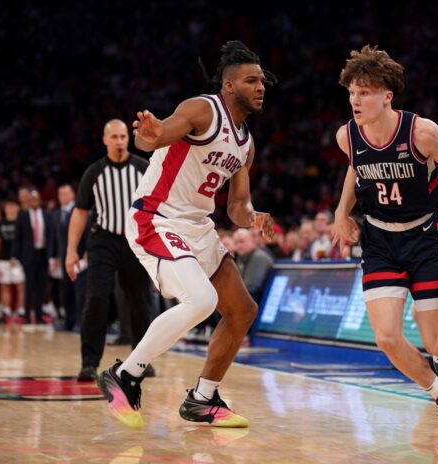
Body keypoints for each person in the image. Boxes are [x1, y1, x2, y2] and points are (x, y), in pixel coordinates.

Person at [96, 41, 275, 430]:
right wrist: (150, 134)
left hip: (197, 225)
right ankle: (125, 375)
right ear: (229, 85)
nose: (261, 86)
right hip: (157, 217)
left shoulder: (246, 144)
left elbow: (236, 206)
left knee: (242, 311)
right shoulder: (202, 109)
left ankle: (202, 398)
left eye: (262, 80)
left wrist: (253, 216)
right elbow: (155, 137)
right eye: (251, 80)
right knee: (202, 300)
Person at [331, 45, 438, 438]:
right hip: (379, 240)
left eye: (364, 93)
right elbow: (355, 170)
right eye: (352, 93)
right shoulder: (347, 135)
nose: (355, 100)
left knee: (436, 343)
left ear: (386, 95)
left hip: (425, 238)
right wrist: (341, 213)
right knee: (387, 337)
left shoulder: (421, 132)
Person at [67, 119, 154, 381]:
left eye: (123, 136)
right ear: (105, 140)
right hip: (103, 240)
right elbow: (80, 211)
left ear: (128, 138)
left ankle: (141, 360)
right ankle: (89, 363)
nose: (119, 141)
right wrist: (71, 250)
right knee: (96, 298)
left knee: (140, 301)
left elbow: (158, 206)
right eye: (114, 137)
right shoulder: (94, 172)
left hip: (135, 240)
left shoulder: (143, 168)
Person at [48, 184, 87, 331]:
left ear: (73, 195)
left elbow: (86, 234)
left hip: (79, 257)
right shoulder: (55, 214)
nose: (63, 196)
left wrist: (87, 252)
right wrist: (52, 258)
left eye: (66, 193)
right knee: (66, 290)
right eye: (60, 194)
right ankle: (68, 322)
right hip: (63, 258)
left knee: (80, 291)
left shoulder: (80, 211)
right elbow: (53, 237)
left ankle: (80, 323)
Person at [12, 189, 51, 330]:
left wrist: (52, 255)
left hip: (43, 254)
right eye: (31, 199)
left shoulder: (46, 215)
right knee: (29, 286)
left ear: (39, 200)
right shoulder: (22, 215)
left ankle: (39, 316)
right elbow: (17, 238)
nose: (34, 201)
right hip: (28, 255)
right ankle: (27, 316)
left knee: (41, 287)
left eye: (36, 198)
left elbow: (50, 236)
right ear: (28, 201)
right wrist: (15, 256)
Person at [0, 200, 25, 323]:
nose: (10, 209)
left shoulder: (21, 222)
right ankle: (6, 311)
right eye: (8, 207)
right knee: (4, 285)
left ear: (18, 208)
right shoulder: (0, 223)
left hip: (18, 260)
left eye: (13, 206)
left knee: (20, 286)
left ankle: (21, 310)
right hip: (3, 259)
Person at [233, 228, 274, 303]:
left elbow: (251, 287)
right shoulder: (241, 257)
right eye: (236, 243)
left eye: (242, 241)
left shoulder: (259, 256)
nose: (239, 245)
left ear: (252, 241)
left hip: (262, 302)